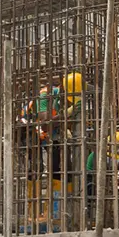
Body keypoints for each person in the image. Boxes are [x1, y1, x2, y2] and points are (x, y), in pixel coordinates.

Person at [15, 72, 84, 225]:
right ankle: (34, 214)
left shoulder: (62, 98)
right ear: (63, 89)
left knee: (62, 167)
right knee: (36, 168)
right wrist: (69, 113)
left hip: (48, 133)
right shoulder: (45, 96)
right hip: (29, 130)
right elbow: (45, 120)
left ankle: (56, 212)